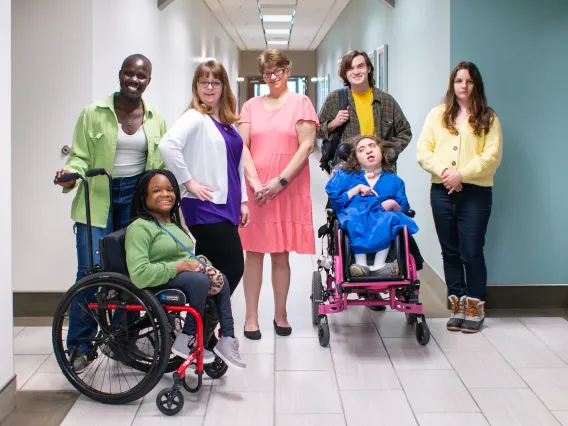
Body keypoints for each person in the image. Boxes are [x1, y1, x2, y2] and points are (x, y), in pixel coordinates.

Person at [54, 54, 167, 372]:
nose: (134, 80)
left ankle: (122, 339)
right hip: (97, 197)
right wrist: (70, 173)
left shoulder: (156, 118)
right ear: (120, 75)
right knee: (90, 273)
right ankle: (80, 346)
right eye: (129, 74)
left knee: (132, 273)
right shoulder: (93, 113)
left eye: (141, 76)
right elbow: (78, 157)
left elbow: (159, 166)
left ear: (148, 80)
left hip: (136, 200)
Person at [158, 60, 249, 349]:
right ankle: (196, 335)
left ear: (224, 87)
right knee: (232, 268)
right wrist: (188, 182)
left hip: (227, 205)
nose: (209, 87)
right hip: (206, 206)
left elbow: (236, 163)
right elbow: (167, 145)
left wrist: (244, 200)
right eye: (203, 82)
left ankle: (197, 336)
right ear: (196, 86)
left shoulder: (224, 120)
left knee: (211, 274)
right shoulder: (196, 116)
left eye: (215, 82)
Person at [125, 170, 245, 369]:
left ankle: (227, 339)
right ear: (144, 197)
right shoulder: (139, 228)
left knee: (220, 278)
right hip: (155, 283)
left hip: (178, 277)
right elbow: (139, 274)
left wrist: (200, 263)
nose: (165, 194)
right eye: (156, 191)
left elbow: (182, 254)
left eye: (170, 190)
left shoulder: (173, 225)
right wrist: (182, 266)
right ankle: (187, 337)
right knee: (199, 281)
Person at [238, 48, 319, 339]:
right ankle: (250, 318)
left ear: (287, 70)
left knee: (281, 254)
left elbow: (306, 146)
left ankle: (280, 314)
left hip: (287, 187)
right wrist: (256, 182)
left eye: (277, 71)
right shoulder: (250, 106)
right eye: (266, 73)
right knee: (254, 253)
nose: (272, 77)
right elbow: (242, 146)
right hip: (257, 188)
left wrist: (279, 181)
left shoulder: (301, 103)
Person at [417, 61, 503, 333]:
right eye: (458, 81)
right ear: (451, 84)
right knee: (450, 251)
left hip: (475, 194)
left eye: (468, 81)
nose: (463, 86)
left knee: (471, 252)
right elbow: (423, 151)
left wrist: (461, 175)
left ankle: (475, 306)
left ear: (476, 85)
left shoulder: (488, 117)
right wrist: (445, 172)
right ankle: (457, 305)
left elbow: (491, 157)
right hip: (441, 191)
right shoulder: (437, 115)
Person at [326, 135, 418, 277]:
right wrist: (356, 189)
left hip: (385, 222)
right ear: (355, 157)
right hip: (355, 220)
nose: (368, 151)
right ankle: (360, 264)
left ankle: (380, 266)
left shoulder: (394, 181)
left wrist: (393, 204)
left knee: (391, 218)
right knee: (354, 215)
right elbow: (336, 199)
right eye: (361, 150)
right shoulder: (346, 176)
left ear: (382, 151)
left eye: (372, 146)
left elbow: (404, 209)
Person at [317, 49, 412, 172]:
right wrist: (334, 123)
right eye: (350, 68)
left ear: (369, 69)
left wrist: (388, 151)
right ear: (345, 74)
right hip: (348, 171)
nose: (356, 72)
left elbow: (405, 131)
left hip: (381, 171)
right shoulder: (335, 99)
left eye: (360, 66)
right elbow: (317, 131)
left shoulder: (386, 101)